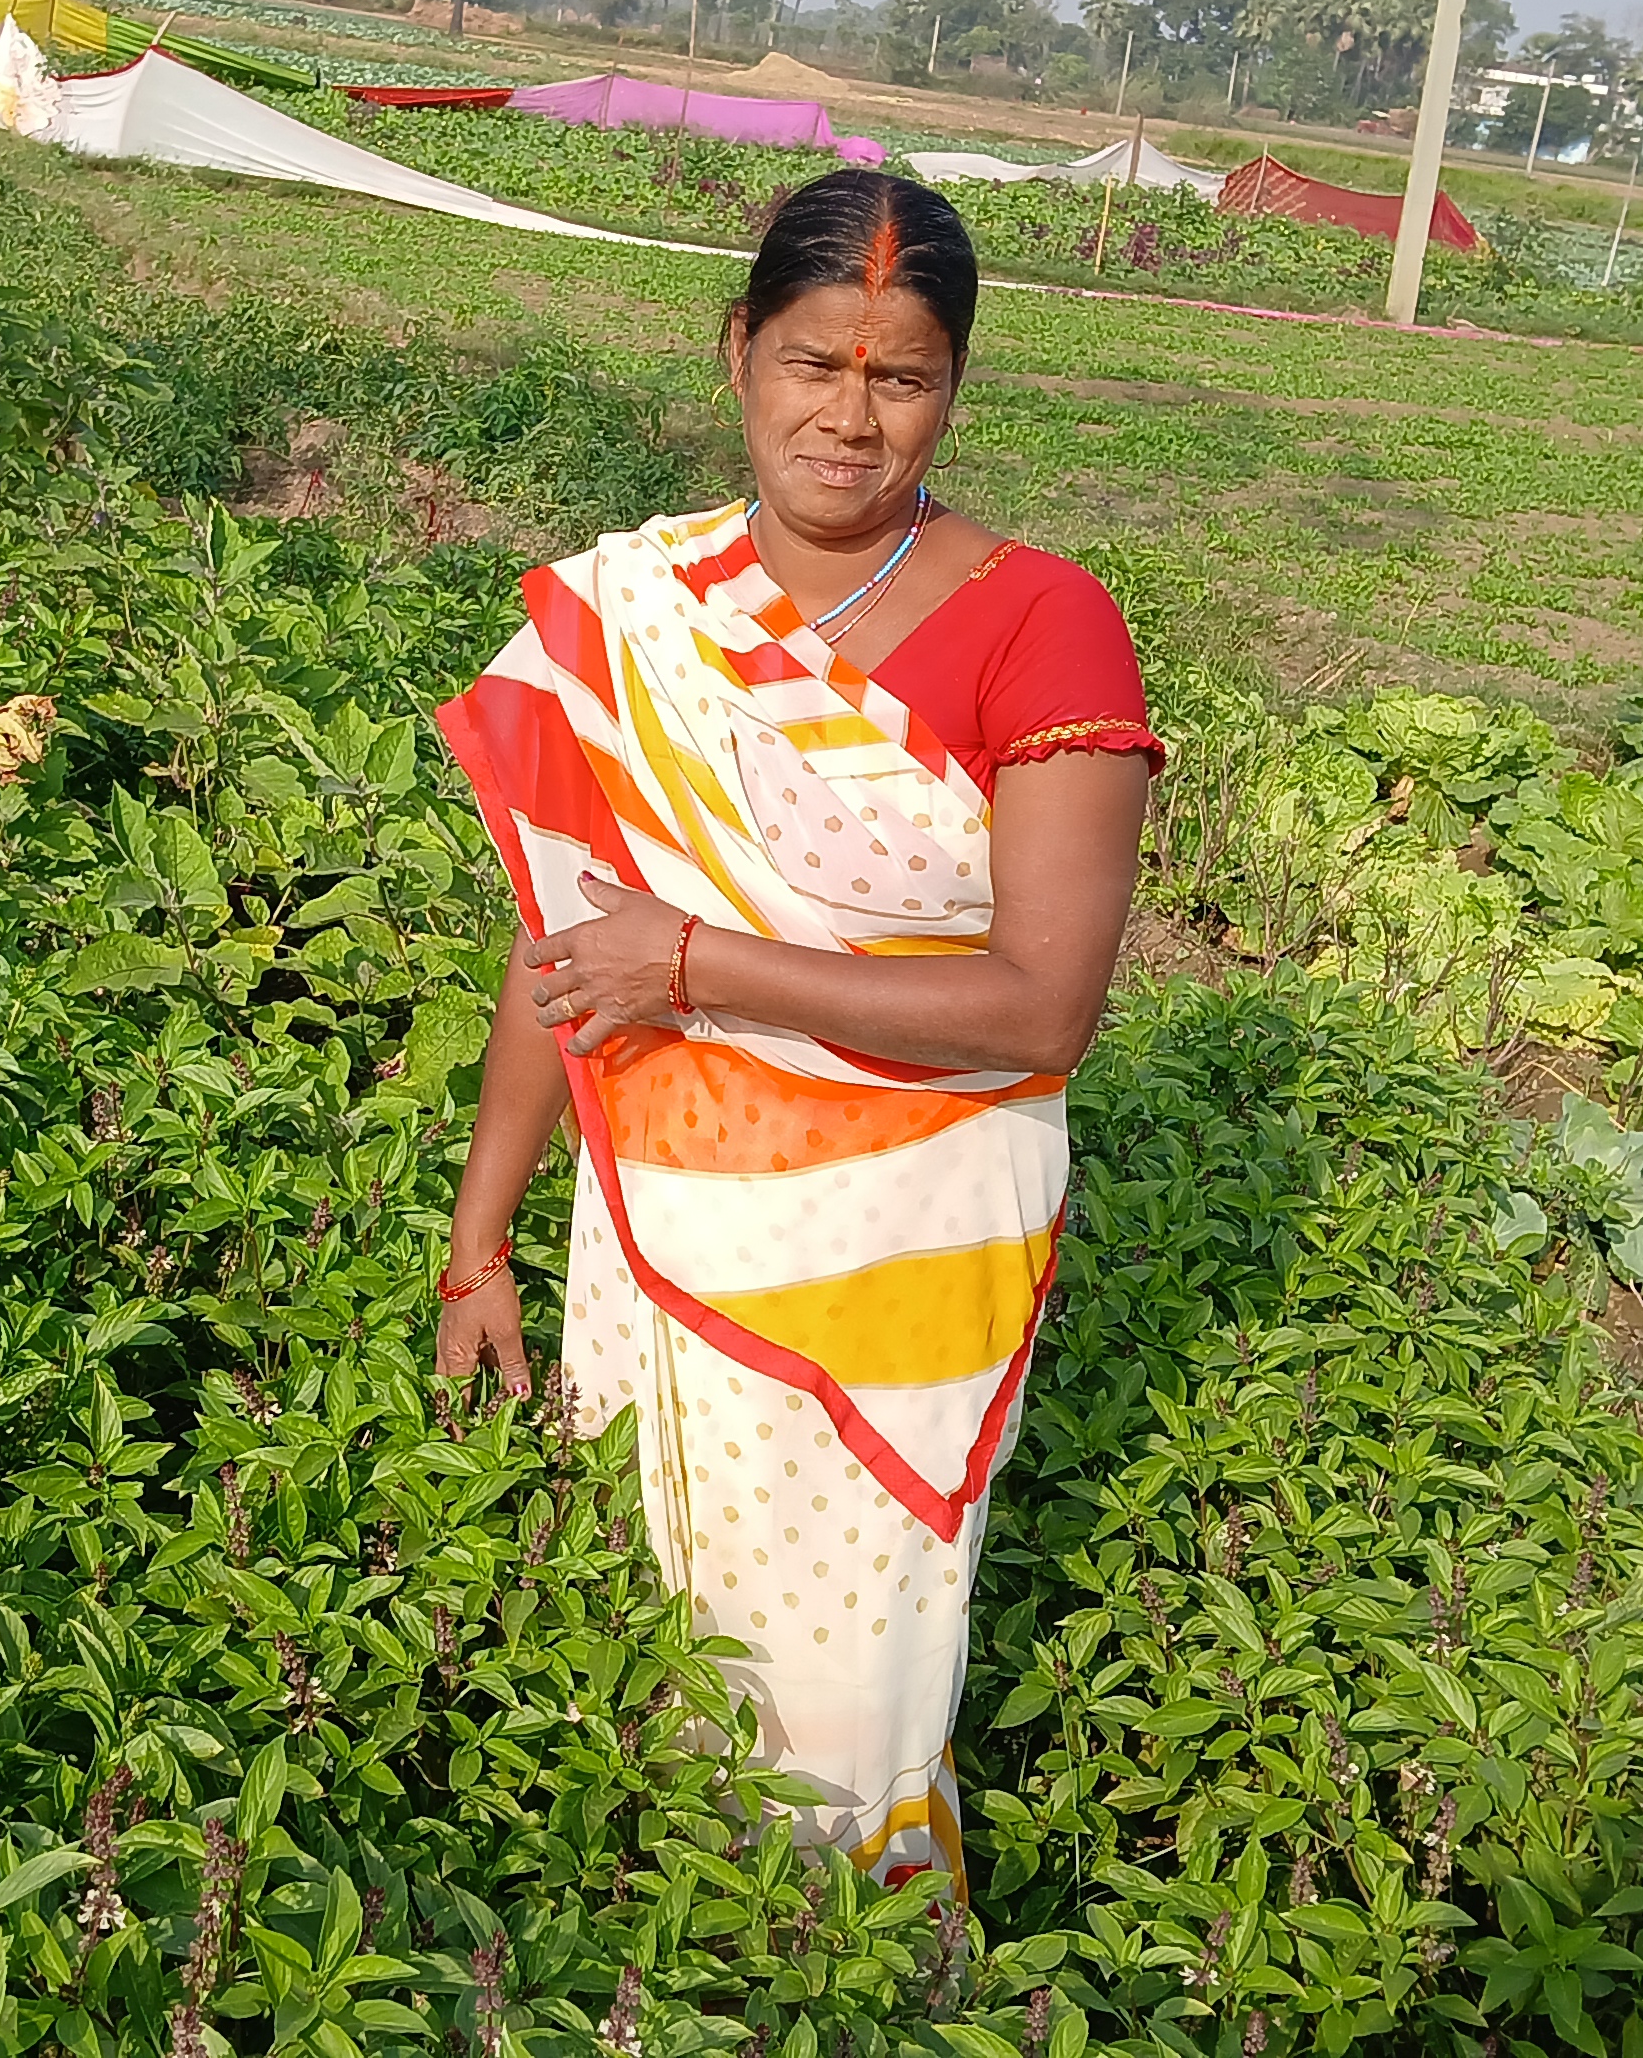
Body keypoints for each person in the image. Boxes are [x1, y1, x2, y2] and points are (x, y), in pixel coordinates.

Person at [428, 169, 1161, 1892]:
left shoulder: (1045, 620)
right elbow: (566, 949)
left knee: (841, 1693)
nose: (849, 416)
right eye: (813, 363)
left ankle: (852, 1984)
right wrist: (482, 1240)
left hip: (904, 1257)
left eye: (899, 378)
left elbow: (1043, 1005)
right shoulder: (641, 611)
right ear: (737, 354)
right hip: (657, 1225)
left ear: (953, 390)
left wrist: (703, 966)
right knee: (638, 1652)